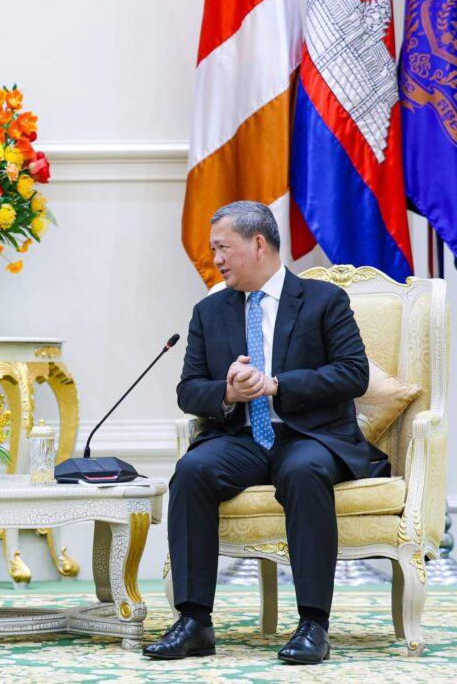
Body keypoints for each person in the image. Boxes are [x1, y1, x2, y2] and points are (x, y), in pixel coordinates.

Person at [143, 201, 386, 665]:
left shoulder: (324, 301)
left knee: (303, 471)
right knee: (192, 470)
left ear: (258, 244)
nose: (216, 259)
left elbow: (353, 373)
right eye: (214, 249)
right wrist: (228, 392)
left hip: (311, 437)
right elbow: (188, 390)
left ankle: (313, 625)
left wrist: (278, 385)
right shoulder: (209, 311)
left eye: (223, 247)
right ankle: (194, 622)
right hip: (242, 439)